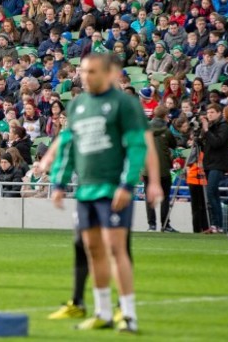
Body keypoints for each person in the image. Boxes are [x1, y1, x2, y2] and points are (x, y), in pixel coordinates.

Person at [50, 53, 148, 333]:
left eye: (92, 71)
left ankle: (128, 315)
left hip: (113, 190)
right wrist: (59, 182)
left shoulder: (123, 104)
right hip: (86, 192)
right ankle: (103, 312)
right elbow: (69, 147)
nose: (85, 76)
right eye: (83, 71)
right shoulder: (78, 104)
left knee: (117, 250)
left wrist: (127, 184)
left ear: (107, 74)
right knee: (93, 251)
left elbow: (136, 146)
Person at [144, 106, 178, 232]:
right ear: (165, 116)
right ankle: (165, 225)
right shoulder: (167, 131)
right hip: (163, 169)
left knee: (149, 198)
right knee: (164, 198)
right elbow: (174, 145)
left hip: (147, 168)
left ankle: (151, 225)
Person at [199, 103, 228, 233]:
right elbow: (204, 143)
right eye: (208, 112)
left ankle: (216, 224)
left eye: (212, 112)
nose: (209, 115)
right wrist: (202, 132)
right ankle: (217, 225)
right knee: (214, 195)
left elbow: (217, 143)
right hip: (209, 163)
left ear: (219, 113)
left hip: (218, 164)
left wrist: (207, 130)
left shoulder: (224, 126)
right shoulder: (212, 126)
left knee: (211, 192)